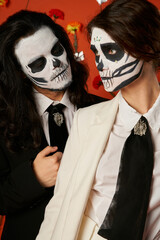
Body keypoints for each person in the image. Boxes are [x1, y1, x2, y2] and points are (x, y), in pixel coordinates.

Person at [36, 0, 160, 239]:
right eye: (96, 52)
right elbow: (59, 204)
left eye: (111, 50)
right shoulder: (86, 121)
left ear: (146, 46)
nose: (99, 63)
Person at [0, 10, 106, 240]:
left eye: (56, 50)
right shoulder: (2, 124)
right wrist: (33, 178)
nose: (56, 64)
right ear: (20, 73)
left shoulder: (106, 110)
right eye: (38, 63)